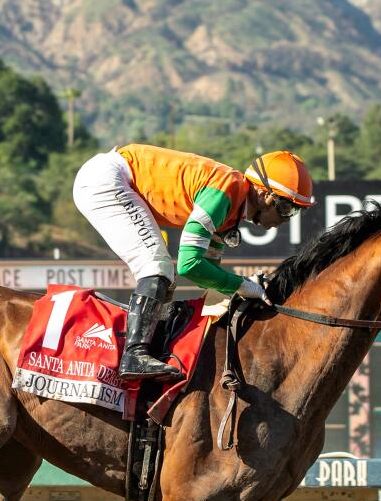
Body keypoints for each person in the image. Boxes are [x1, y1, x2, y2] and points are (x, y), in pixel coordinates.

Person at [74, 144, 314, 381]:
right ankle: (134, 354)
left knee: (164, 278)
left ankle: (148, 347)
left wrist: (245, 287)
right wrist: (241, 285)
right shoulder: (224, 193)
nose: (286, 219)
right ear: (263, 195)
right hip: (108, 179)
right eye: (286, 208)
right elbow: (189, 264)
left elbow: (207, 275)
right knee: (156, 267)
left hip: (113, 176)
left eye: (295, 212)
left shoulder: (232, 210)